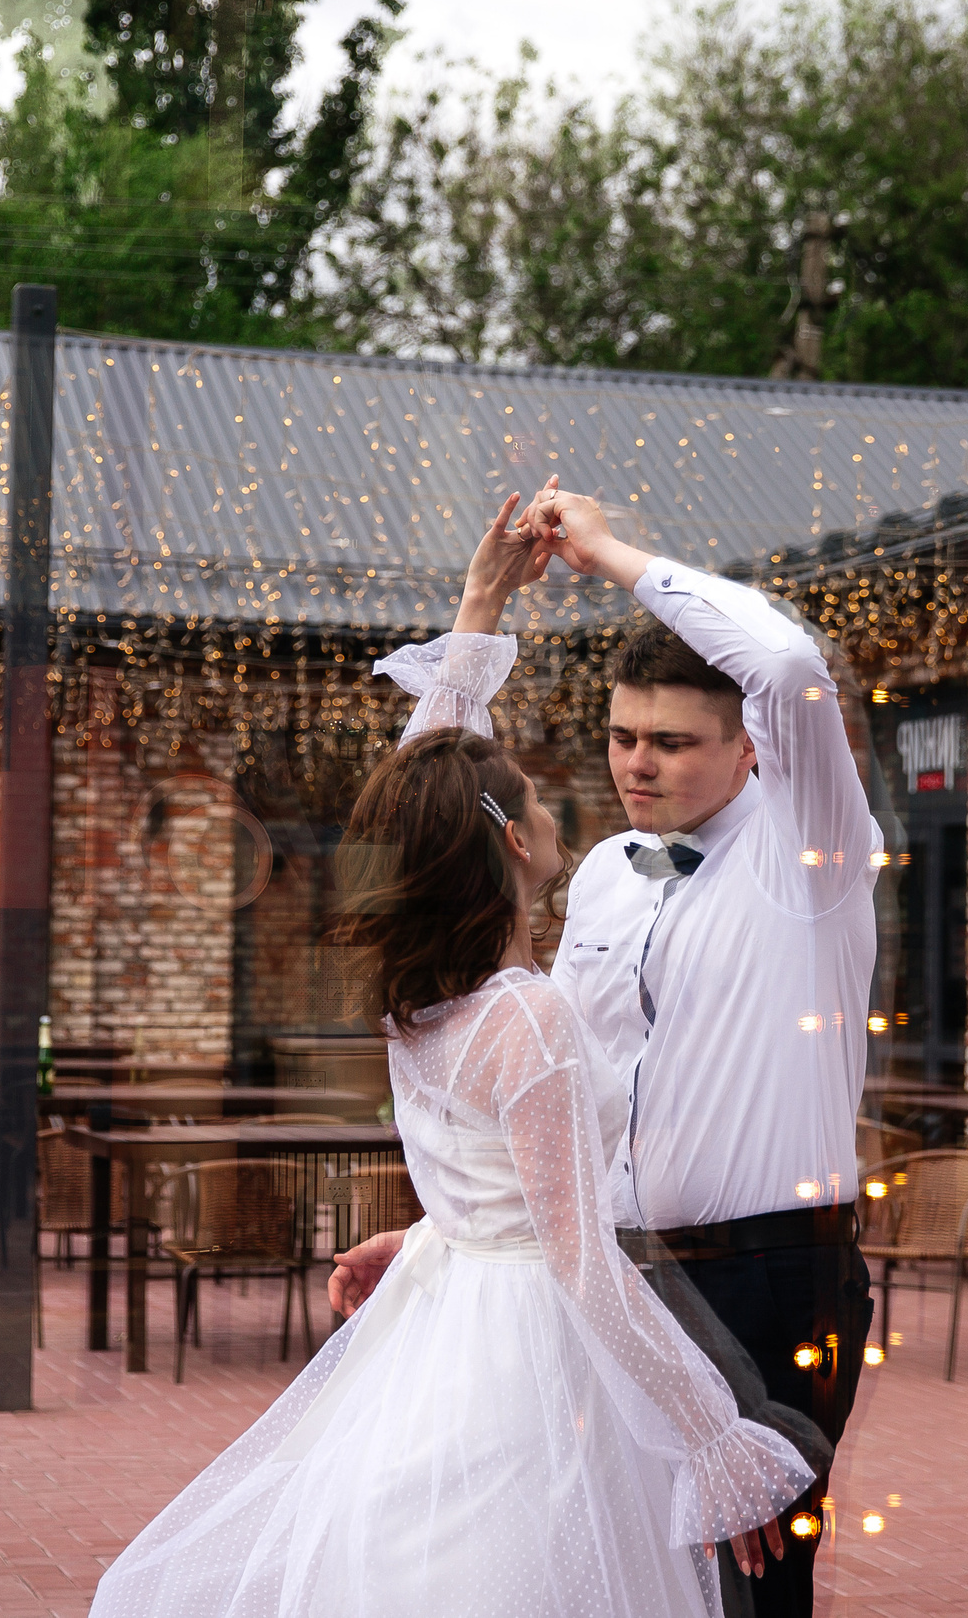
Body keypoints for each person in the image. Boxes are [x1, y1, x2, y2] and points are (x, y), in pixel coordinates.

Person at [86, 494, 814, 1618]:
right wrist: (714, 1434)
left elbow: (422, 790)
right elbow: (580, 1263)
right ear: (516, 842)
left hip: (448, 1314)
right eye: (536, 793)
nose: (592, 780)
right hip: (530, 1343)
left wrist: (482, 605)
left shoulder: (418, 1005)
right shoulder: (526, 1019)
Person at [339, 481, 881, 1618]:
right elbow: (433, 814)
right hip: (613, 1286)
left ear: (750, 752)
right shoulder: (595, 876)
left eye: (676, 743)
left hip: (769, 1274)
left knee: (752, 1589)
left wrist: (609, 552)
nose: (640, 764)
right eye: (623, 736)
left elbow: (786, 667)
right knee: (624, 1580)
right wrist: (460, 1226)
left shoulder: (813, 851)